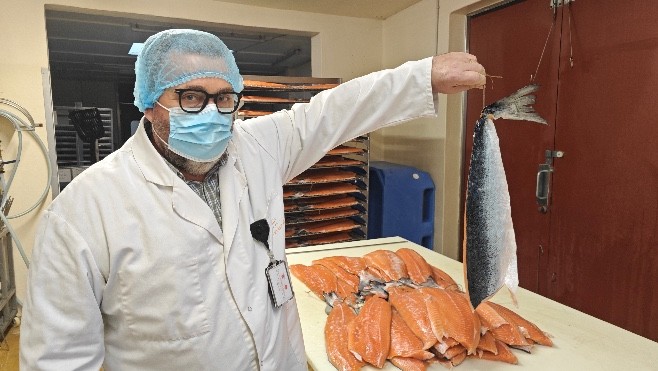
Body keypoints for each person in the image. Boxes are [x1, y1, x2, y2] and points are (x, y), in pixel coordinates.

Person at [20, 29, 485, 370]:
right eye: (190, 97)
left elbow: (333, 111)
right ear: (147, 102)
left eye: (225, 99)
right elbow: (59, 357)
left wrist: (422, 77)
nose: (211, 113)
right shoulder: (86, 210)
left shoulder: (256, 148)